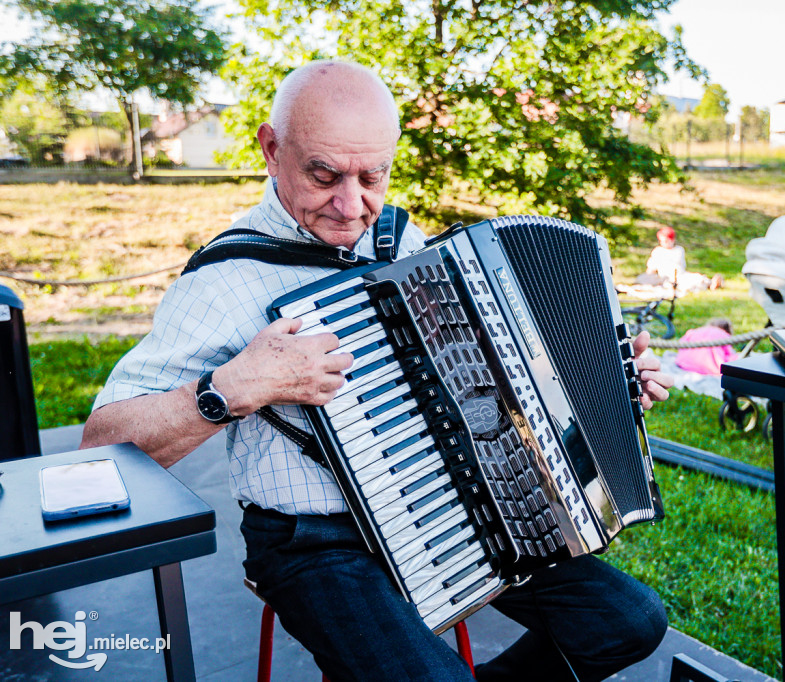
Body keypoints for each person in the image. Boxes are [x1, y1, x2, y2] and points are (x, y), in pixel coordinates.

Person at [80, 60, 673, 682]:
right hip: (316, 541)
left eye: (373, 177)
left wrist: (606, 379)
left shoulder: (399, 239)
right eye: (324, 174)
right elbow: (101, 446)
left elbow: (489, 372)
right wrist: (236, 387)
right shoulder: (224, 280)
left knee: (627, 623)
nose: (351, 205)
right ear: (271, 148)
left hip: (449, 506)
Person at [638, 226, 722, 292]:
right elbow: (651, 269)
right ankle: (709, 284)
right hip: (665, 278)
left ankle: (711, 283)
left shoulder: (678, 250)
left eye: (666, 241)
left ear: (672, 240)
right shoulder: (658, 251)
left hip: (679, 276)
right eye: (662, 241)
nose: (664, 243)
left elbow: (678, 266)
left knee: (694, 278)